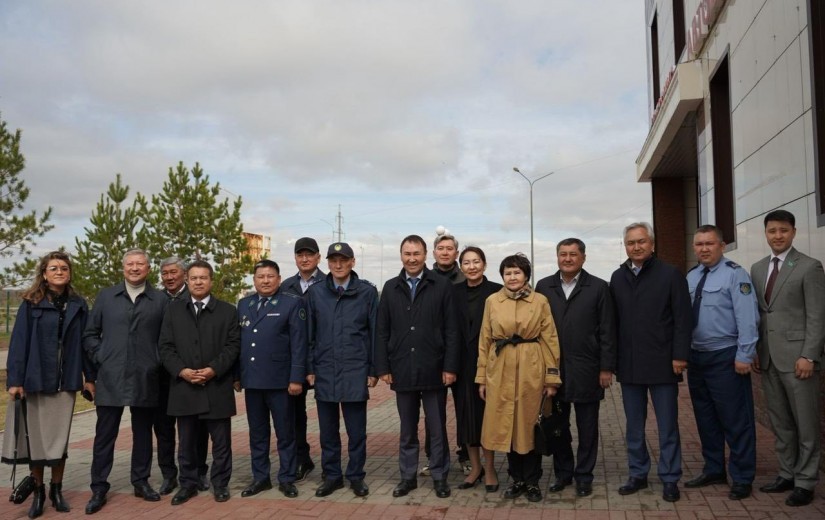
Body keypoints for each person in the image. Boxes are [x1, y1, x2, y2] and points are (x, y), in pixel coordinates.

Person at [2, 252, 93, 518]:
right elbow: (19, 343)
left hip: (66, 380)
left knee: (59, 439)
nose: (59, 271)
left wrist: (90, 377)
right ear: (44, 273)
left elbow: (86, 344)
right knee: (38, 440)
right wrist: (15, 381)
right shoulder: (31, 304)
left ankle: (56, 489)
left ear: (69, 273)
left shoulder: (78, 304)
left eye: (64, 268)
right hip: (36, 379)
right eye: (53, 268)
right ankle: (38, 492)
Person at [610, 222, 691, 503]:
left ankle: (670, 478)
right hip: (629, 366)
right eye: (631, 242)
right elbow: (613, 324)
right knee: (634, 426)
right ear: (625, 246)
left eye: (642, 241)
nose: (636, 246)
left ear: (652, 244)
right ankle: (638, 474)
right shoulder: (617, 278)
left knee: (667, 426)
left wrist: (680, 355)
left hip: (663, 365)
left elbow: (683, 319)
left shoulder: (670, 275)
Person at [82, 248, 168, 514]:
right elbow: (90, 333)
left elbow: (167, 339)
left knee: (143, 434)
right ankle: (98, 486)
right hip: (111, 376)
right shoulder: (107, 297)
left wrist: (155, 360)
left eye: (140, 264)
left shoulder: (160, 299)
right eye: (130, 264)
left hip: (146, 376)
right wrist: (102, 356)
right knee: (104, 435)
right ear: (123, 268)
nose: (134, 268)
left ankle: (140, 481)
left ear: (148, 268)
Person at [374, 234, 460, 499]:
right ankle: (408, 476)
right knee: (407, 428)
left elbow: (452, 330)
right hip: (402, 368)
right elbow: (382, 331)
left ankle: (439, 476)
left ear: (426, 255)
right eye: (407, 254)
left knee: (437, 427)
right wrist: (383, 367)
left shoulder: (442, 285)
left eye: (417, 254)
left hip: (434, 368)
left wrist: (450, 366)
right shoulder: (390, 287)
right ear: (401, 255)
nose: (412, 259)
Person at [750, 210, 825, 507]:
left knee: (805, 424)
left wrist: (809, 354)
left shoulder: (809, 267)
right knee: (781, 423)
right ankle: (787, 473)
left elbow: (817, 316)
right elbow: (758, 315)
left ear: (793, 232)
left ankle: (806, 481)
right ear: (765, 234)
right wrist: (756, 350)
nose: (777, 236)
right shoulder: (757, 269)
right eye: (772, 231)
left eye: (783, 230)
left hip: (799, 361)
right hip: (768, 359)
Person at [477, 253, 561, 503]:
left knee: (529, 425)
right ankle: (517, 479)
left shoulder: (540, 301)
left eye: (517, 272)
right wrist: (482, 376)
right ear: (502, 276)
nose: (512, 277)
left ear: (526, 275)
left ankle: (533, 480)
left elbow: (550, 339)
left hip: (531, 368)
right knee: (507, 427)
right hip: (500, 368)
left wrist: (551, 378)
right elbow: (484, 340)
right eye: (507, 273)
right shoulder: (492, 301)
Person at [535, 238, 616, 498]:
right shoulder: (543, 286)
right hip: (553, 372)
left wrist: (606, 368)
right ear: (557, 257)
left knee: (588, 426)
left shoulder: (599, 287)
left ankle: (584, 475)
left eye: (573, 254)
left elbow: (607, 330)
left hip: (587, 369)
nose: (567, 259)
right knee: (557, 426)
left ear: (583, 257)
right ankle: (563, 473)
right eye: (562, 254)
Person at [684, 225, 759, 501]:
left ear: (722, 246)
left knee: (736, 419)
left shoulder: (735, 275)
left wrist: (744, 354)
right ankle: (714, 468)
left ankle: (741, 476)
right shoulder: (691, 277)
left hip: (726, 357)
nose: (704, 249)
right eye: (699, 244)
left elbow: (748, 317)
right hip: (697, 357)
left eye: (709, 244)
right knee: (706, 419)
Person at [159, 260, 241, 505]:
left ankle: (220, 484)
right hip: (184, 387)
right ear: (187, 279)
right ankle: (188, 484)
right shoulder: (173, 310)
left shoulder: (227, 311)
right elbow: (165, 347)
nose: (197, 282)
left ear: (211, 281)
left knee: (221, 442)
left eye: (203, 278)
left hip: (216, 386)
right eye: (193, 278)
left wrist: (214, 369)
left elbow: (233, 346)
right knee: (186, 443)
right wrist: (182, 371)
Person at [306, 242, 378, 498]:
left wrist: (373, 369)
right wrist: (310, 367)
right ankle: (332, 476)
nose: (338, 265)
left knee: (356, 431)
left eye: (343, 260)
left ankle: (356, 476)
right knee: (328, 432)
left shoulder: (367, 292)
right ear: (327, 263)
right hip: (325, 370)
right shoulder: (315, 293)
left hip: (355, 370)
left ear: (352, 262)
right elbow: (309, 335)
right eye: (333, 260)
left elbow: (374, 334)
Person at [237, 259, 307, 499]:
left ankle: (286, 478)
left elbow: (299, 344)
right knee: (257, 433)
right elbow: (240, 343)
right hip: (253, 382)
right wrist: (238, 376)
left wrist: (296, 378)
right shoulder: (244, 304)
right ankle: (261, 477)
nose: (265, 281)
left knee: (285, 433)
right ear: (254, 280)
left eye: (270, 276)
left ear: (278, 279)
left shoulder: (292, 303)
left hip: (281, 382)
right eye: (260, 277)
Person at [154, 256, 210, 495]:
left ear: (184, 275)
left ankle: (199, 471)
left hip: (194, 376)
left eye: (174, 272)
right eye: (165, 273)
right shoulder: (155, 299)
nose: (169, 277)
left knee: (197, 428)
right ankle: (169, 474)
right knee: (164, 429)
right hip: (162, 375)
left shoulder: (196, 297)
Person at [452, 246, 501, 492]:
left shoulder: (496, 292)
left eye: (476, 261)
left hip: (491, 365)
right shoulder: (453, 292)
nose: (472, 267)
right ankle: (475, 468)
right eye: (467, 263)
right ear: (461, 267)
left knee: (487, 419)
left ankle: (491, 468)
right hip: (461, 366)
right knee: (467, 419)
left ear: (484, 264)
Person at [280, 236, 324, 481]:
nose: (305, 259)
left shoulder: (330, 283)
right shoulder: (285, 286)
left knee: (328, 413)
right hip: (293, 361)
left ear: (318, 257)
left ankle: (332, 462)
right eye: (300, 255)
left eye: (310, 254)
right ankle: (300, 458)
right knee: (294, 414)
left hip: (322, 359)